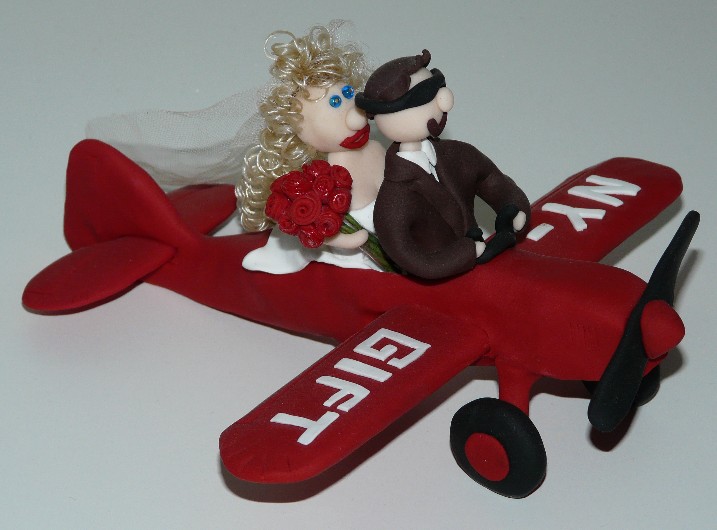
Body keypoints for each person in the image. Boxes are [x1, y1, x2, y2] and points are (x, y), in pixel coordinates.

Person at [355, 49, 531, 280]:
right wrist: (464, 254)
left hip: (490, 273)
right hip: (438, 288)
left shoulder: (458, 154)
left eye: (438, 87)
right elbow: (409, 255)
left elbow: (490, 178)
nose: (445, 100)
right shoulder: (395, 198)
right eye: (425, 96)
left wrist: (512, 207)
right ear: (384, 118)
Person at [238, 24, 387, 274]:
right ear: (301, 133)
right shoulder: (329, 176)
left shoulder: (377, 148)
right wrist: (349, 239)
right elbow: (324, 228)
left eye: (348, 92)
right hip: (361, 258)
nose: (355, 115)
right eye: (335, 102)